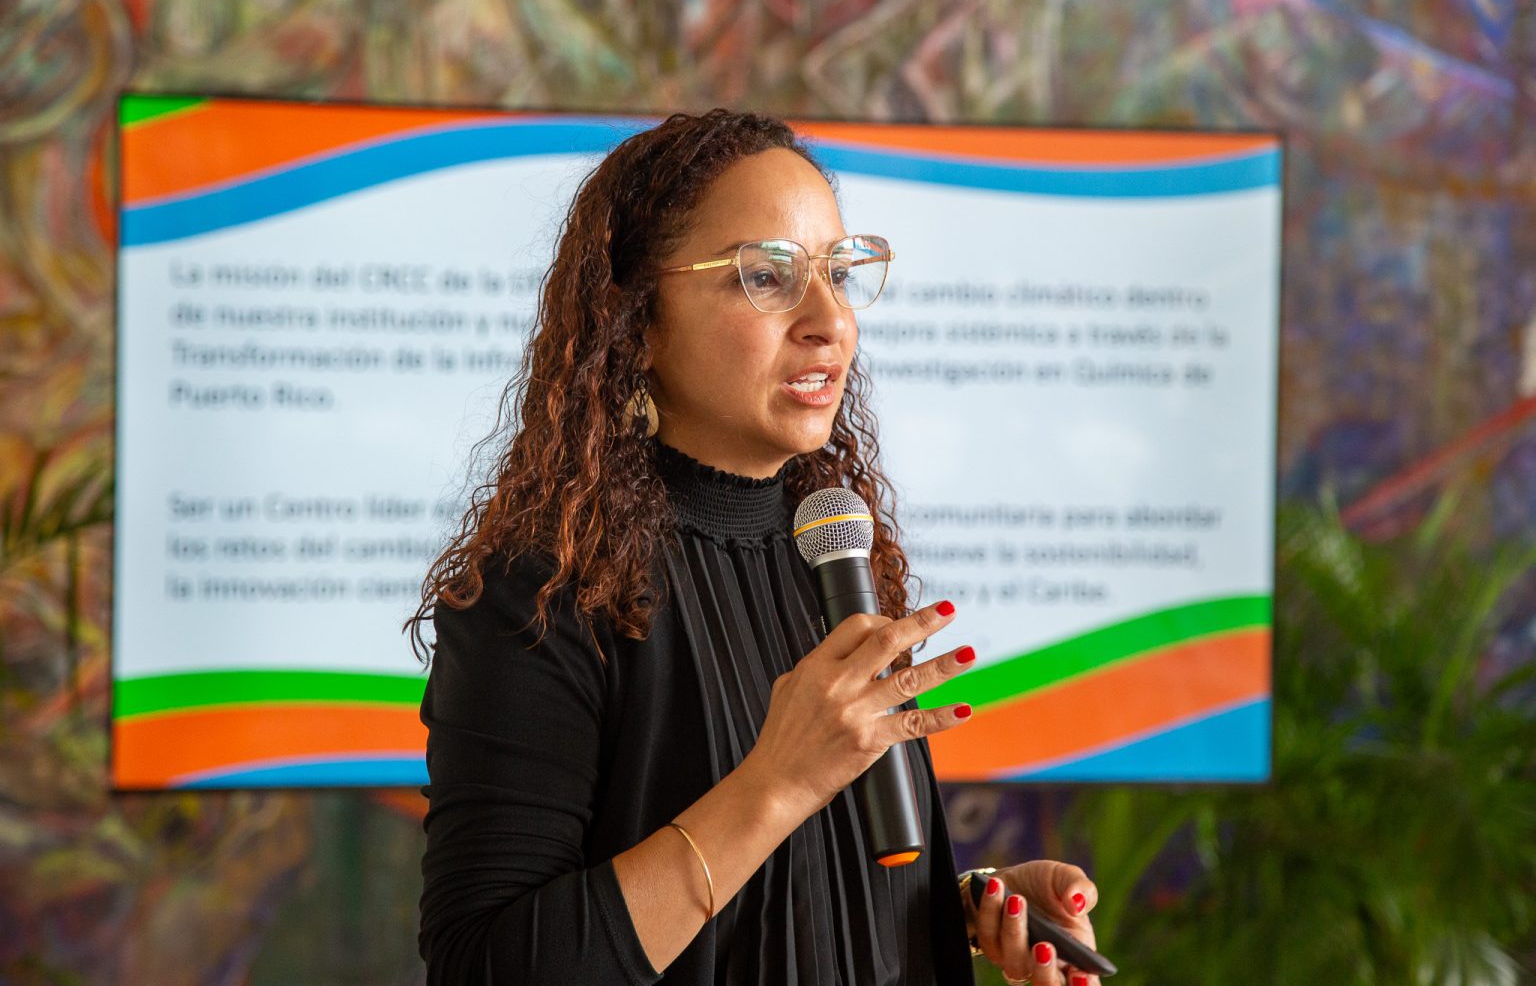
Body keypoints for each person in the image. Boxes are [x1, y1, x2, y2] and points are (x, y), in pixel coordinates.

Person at [410, 109, 1104, 986]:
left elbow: (785, 903)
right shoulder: (543, 591)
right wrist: (776, 785)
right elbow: (486, 966)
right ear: (638, 322)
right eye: (767, 277)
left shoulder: (835, 555)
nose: (829, 321)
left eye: (839, 273)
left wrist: (954, 908)